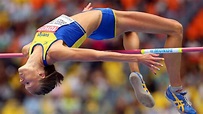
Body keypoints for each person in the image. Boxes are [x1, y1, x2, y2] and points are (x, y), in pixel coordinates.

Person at [18, 3, 196, 114]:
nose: (21, 80)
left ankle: (137, 76)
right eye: (28, 84)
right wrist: (138, 58)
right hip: (106, 20)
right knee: (176, 29)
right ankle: (175, 90)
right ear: (41, 75)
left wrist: (80, 16)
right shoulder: (53, 53)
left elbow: (59, 28)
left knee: (129, 30)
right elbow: (98, 55)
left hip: (94, 24)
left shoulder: (29, 48)